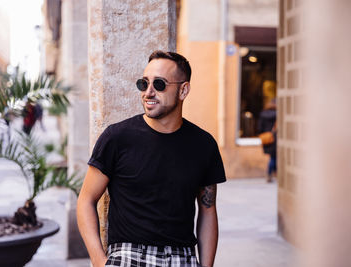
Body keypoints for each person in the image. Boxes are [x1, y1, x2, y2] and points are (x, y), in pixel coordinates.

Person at [77, 51, 226, 267]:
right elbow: (85, 200)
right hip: (128, 255)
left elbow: (208, 210)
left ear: (183, 90)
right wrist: (100, 262)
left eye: (159, 84)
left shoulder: (204, 145)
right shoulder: (117, 138)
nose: (148, 92)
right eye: (143, 83)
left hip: (181, 257)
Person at [258, 99, 277, 182]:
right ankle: (270, 173)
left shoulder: (263, 114)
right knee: (274, 157)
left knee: (273, 157)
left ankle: (272, 173)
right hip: (274, 137)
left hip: (266, 138)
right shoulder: (277, 114)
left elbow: (259, 128)